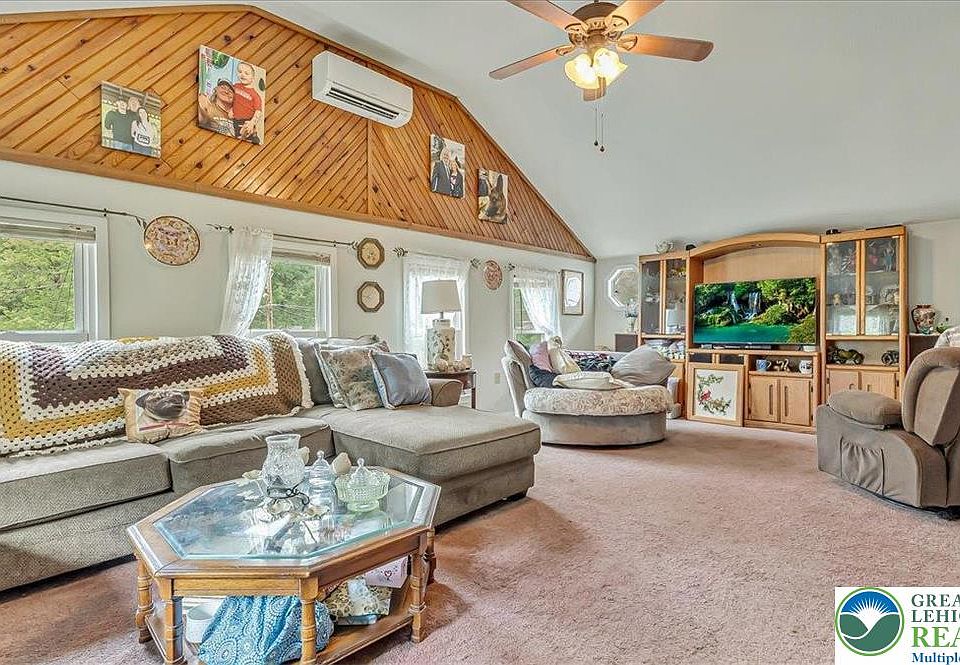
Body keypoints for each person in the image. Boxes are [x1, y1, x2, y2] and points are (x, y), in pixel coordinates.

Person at [231, 61, 263, 144]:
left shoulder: (255, 95)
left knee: (250, 139)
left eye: (246, 73)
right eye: (240, 72)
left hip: (246, 121)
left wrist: (252, 122)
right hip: (235, 119)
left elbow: (258, 111)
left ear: (252, 78)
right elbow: (231, 99)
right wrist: (230, 109)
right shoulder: (235, 86)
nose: (242, 74)